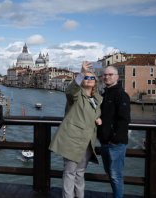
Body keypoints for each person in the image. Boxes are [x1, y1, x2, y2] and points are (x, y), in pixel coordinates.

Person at [49, 62, 102, 198]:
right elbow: (70, 90)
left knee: (80, 173)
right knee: (69, 172)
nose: (89, 80)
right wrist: (82, 72)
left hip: (87, 141)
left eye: (92, 78)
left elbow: (93, 114)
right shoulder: (77, 96)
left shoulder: (97, 99)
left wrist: (99, 119)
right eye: (86, 78)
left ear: (95, 82)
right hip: (73, 139)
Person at [98, 66, 131, 198]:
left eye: (110, 74)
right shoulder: (105, 94)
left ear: (117, 77)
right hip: (105, 141)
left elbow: (124, 119)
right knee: (110, 173)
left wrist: (114, 139)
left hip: (115, 143)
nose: (107, 77)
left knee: (115, 175)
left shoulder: (121, 95)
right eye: (105, 75)